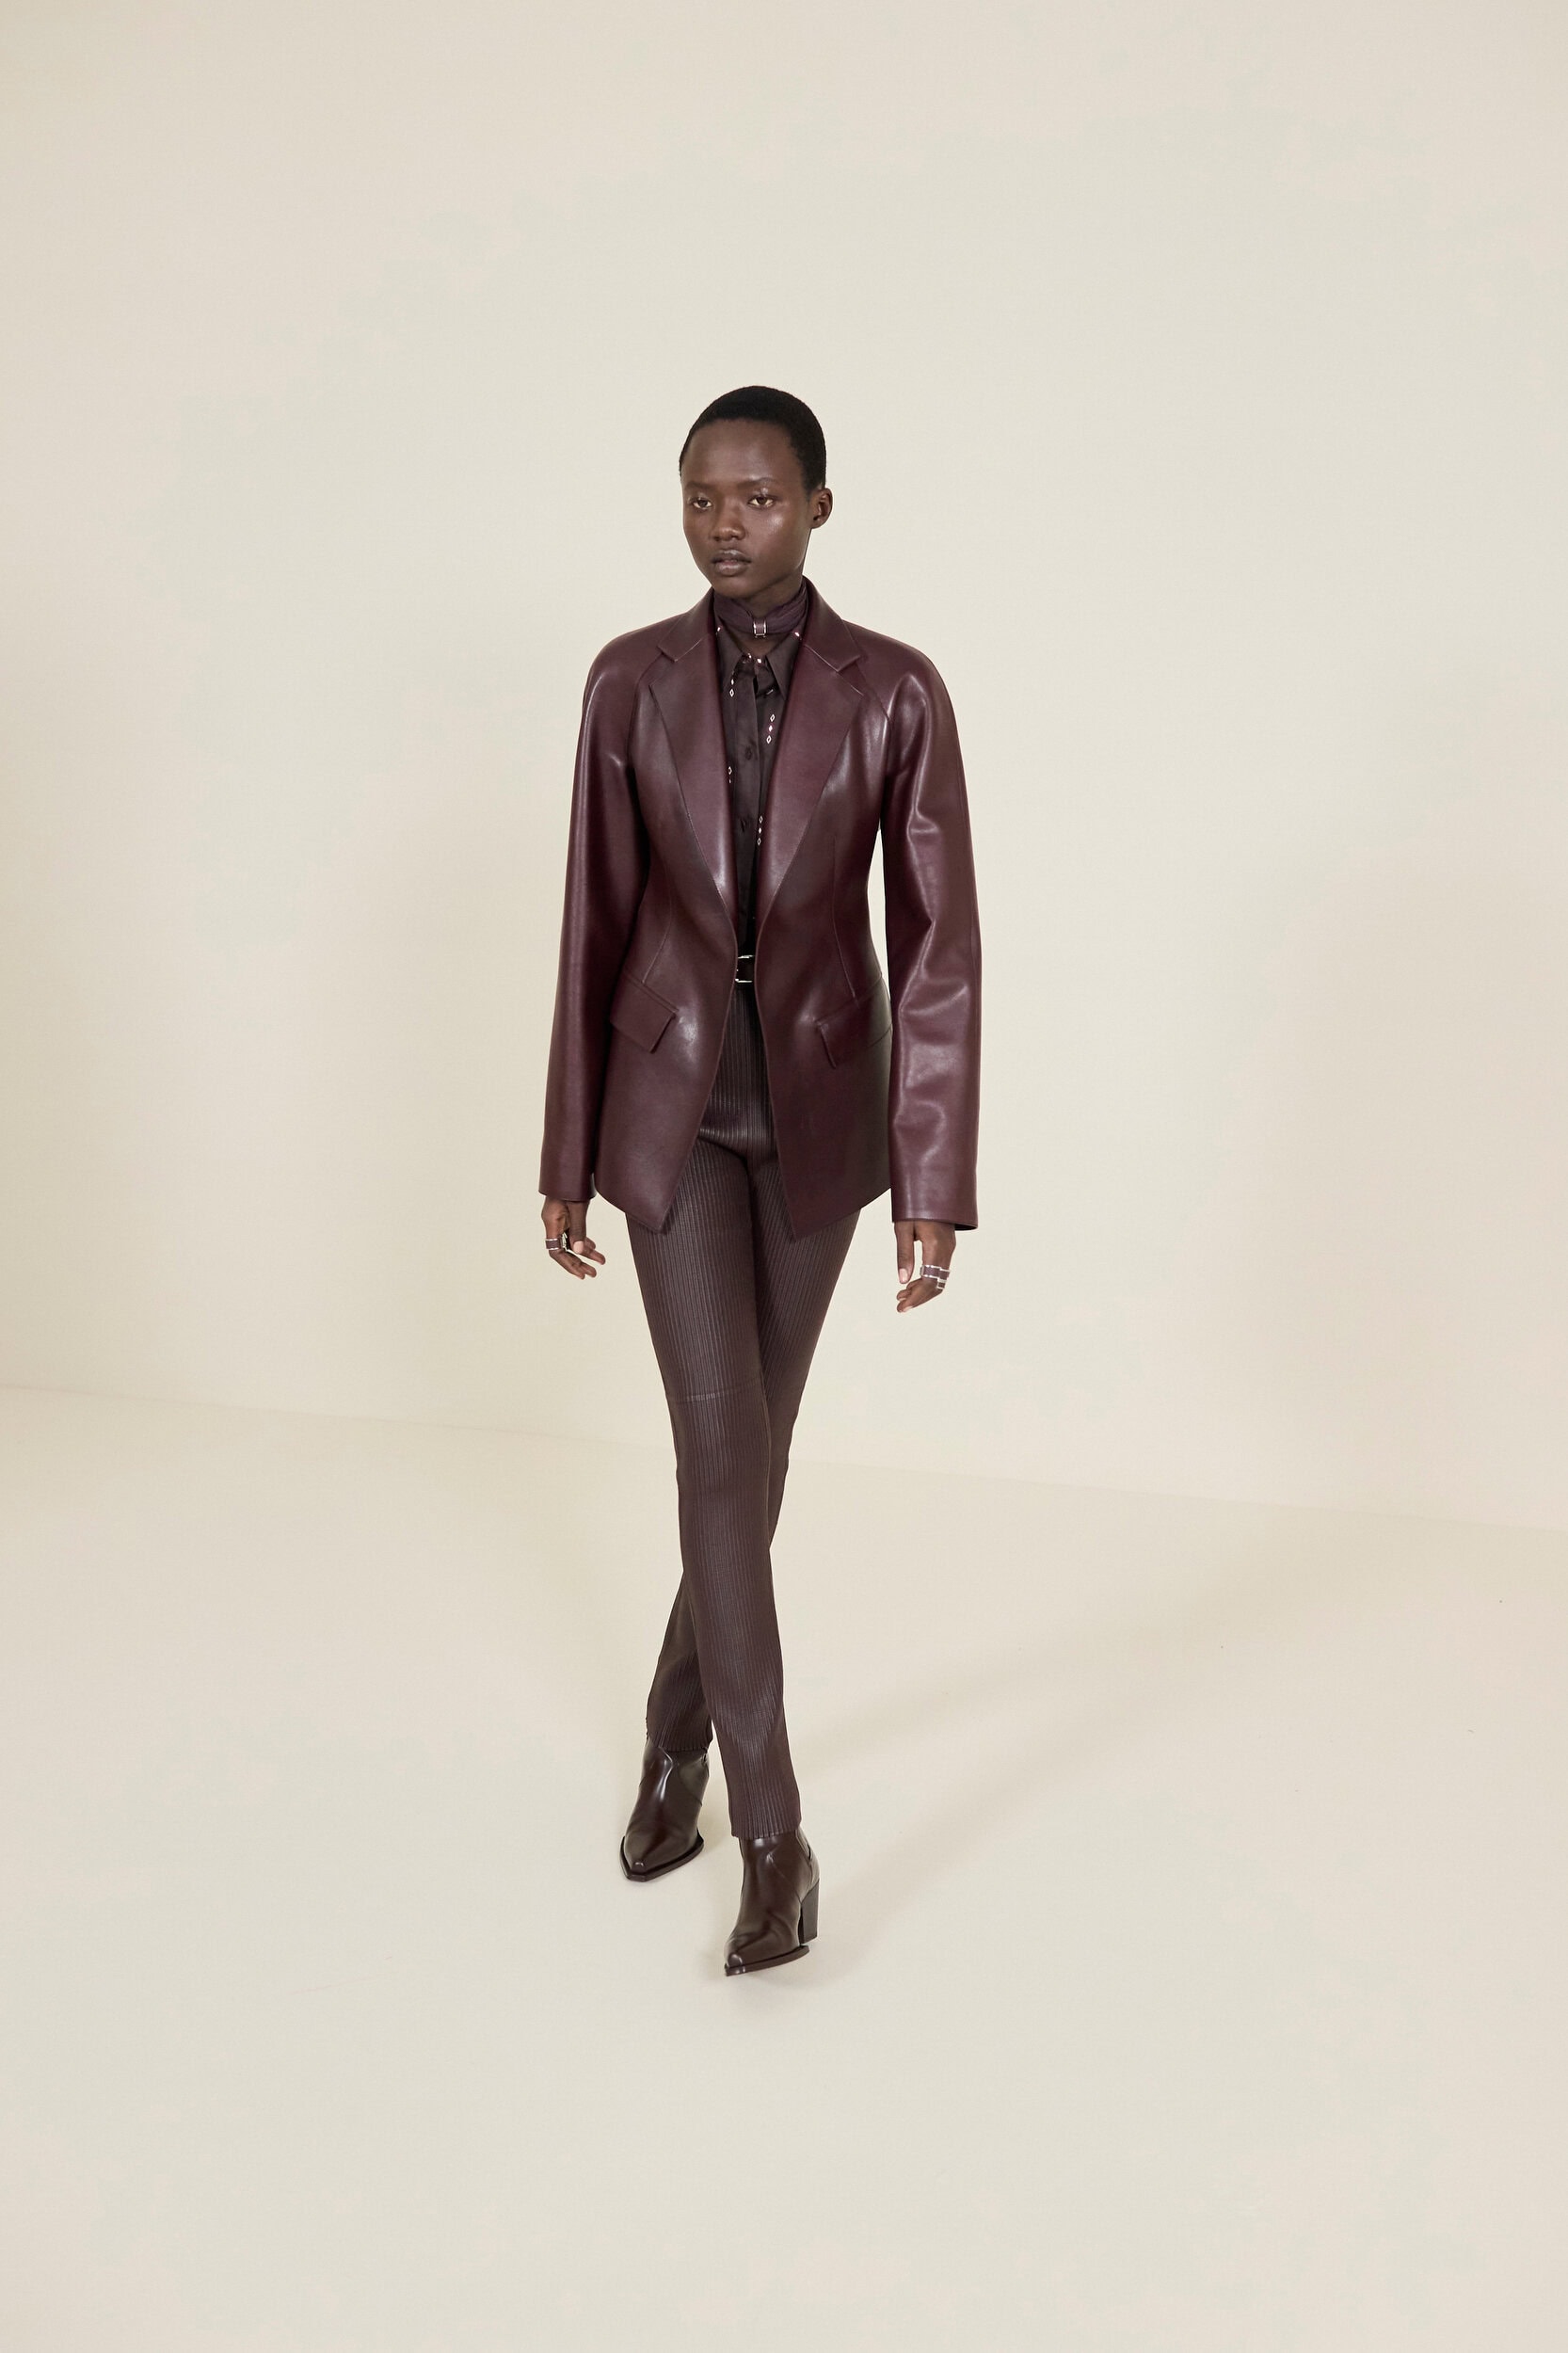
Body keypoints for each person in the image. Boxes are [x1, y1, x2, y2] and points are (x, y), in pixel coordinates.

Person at [538, 386, 981, 1974]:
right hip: (666, 1117)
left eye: (758, 499)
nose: (725, 525)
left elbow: (937, 947)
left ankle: (673, 1744)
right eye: (700, 498)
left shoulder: (895, 690)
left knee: (753, 1460)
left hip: (816, 1120)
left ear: (818, 508)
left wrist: (930, 1169)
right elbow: (591, 919)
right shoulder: (627, 679)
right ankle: (776, 1836)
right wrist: (565, 1148)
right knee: (720, 1451)